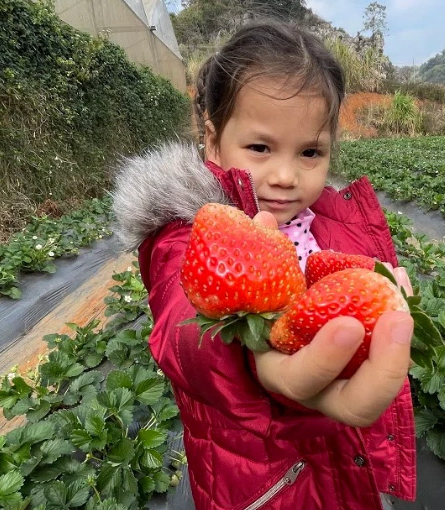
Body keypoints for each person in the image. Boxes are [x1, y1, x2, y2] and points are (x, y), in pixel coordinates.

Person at [113, 21, 416, 510]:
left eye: (310, 152)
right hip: (260, 482)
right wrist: (254, 356)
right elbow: (181, 328)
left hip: (342, 457)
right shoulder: (189, 230)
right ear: (212, 140)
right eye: (260, 148)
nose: (284, 176)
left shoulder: (329, 225)